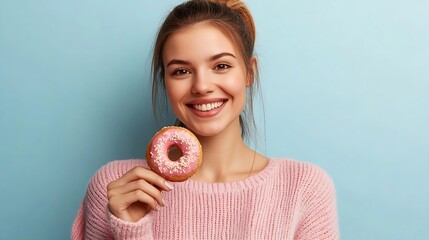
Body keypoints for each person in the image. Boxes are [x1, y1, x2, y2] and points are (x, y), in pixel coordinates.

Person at [71, 0, 339, 239]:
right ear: (165, 82)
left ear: (249, 73)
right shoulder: (116, 187)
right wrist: (131, 230)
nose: (201, 86)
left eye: (221, 66)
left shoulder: (303, 187)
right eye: (181, 71)